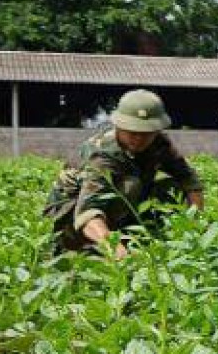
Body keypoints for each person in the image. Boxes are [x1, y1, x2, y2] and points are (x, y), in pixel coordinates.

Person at [43, 89, 205, 258]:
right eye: (133, 132)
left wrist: (194, 228)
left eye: (146, 133)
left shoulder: (159, 143)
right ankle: (85, 248)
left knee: (167, 185)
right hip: (70, 213)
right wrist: (117, 251)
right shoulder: (103, 155)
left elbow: (189, 180)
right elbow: (88, 213)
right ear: (119, 126)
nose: (139, 139)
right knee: (130, 185)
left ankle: (143, 237)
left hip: (114, 207)